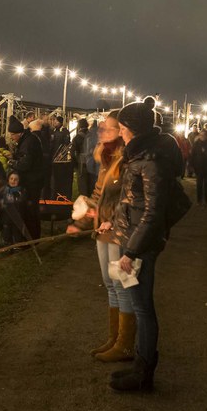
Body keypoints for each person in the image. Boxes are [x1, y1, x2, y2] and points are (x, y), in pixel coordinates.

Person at [110, 100, 174, 392]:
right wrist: (112, 223)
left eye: (122, 128)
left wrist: (132, 251)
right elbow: (130, 202)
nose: (120, 133)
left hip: (141, 245)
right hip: (133, 238)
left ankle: (144, 371)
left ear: (134, 130)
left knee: (143, 308)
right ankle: (139, 365)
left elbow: (152, 212)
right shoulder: (138, 155)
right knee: (139, 305)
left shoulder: (149, 160)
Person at [67, 110, 135, 362]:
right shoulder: (106, 160)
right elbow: (97, 195)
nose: (103, 132)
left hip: (121, 232)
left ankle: (126, 344)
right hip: (102, 231)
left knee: (123, 284)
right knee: (109, 283)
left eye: (109, 128)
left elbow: (132, 199)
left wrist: (113, 220)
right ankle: (115, 337)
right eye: (103, 128)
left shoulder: (128, 161)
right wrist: (83, 222)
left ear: (122, 131)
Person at [7, 115, 44, 239]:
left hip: (32, 181)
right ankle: (29, 236)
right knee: (29, 209)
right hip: (33, 179)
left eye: (12, 135)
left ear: (18, 134)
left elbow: (25, 164)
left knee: (31, 210)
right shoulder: (28, 139)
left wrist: (11, 162)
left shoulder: (28, 143)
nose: (11, 138)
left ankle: (32, 237)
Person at [0, 171, 27, 246]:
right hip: (6, 217)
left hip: (17, 216)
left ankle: (17, 243)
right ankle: (6, 242)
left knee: (16, 230)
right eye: (11, 179)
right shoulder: (5, 190)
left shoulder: (21, 191)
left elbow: (21, 202)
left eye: (16, 179)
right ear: (8, 180)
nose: (13, 181)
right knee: (6, 229)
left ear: (19, 181)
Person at [190, 129, 207, 206]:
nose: (202, 137)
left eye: (204, 135)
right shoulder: (196, 143)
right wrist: (191, 165)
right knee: (199, 185)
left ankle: (206, 201)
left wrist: (206, 153)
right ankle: (199, 200)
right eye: (201, 135)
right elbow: (192, 155)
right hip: (199, 167)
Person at [70, 118, 91, 196]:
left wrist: (75, 165)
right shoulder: (93, 135)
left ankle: (84, 204)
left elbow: (72, 152)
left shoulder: (77, 137)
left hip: (82, 164)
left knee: (83, 186)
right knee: (92, 185)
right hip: (93, 163)